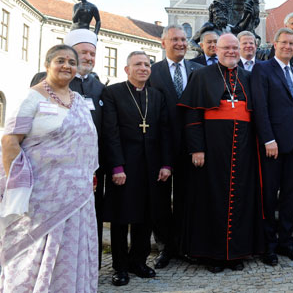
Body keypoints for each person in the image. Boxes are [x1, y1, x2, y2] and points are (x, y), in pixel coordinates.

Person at [0, 45, 98, 291]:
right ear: (47, 65)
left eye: (71, 62)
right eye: (60, 60)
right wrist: (19, 188)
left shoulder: (79, 101)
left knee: (70, 251)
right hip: (41, 196)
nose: (67, 65)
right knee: (32, 253)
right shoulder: (31, 97)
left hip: (78, 196)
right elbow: (10, 141)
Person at [177, 33, 265, 272]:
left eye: (235, 48)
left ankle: (235, 253)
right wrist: (197, 148)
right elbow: (193, 115)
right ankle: (213, 255)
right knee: (212, 200)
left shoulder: (248, 77)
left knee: (241, 200)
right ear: (216, 50)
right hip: (212, 150)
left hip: (243, 150)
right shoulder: (202, 76)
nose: (231, 52)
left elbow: (257, 113)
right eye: (226, 48)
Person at [30, 28, 107, 267]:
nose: (88, 58)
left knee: (89, 218)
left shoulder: (98, 86)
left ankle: (87, 267)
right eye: (82, 53)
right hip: (54, 168)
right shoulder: (44, 81)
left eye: (92, 54)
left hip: (91, 166)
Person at [102, 51, 172, 286]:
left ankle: (138, 261)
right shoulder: (113, 93)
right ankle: (120, 266)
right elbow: (110, 132)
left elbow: (164, 131)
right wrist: (116, 166)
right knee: (121, 218)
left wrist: (165, 163)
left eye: (147, 64)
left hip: (151, 166)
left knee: (146, 215)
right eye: (138, 64)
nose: (143, 68)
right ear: (127, 69)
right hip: (124, 167)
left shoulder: (157, 96)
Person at [148, 25, 204, 268]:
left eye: (183, 39)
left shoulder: (199, 71)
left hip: (192, 146)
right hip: (161, 146)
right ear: (164, 43)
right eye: (175, 39)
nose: (181, 43)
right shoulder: (152, 71)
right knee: (160, 199)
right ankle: (165, 247)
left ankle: (185, 244)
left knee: (187, 198)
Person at [251, 27, 293, 266]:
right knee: (269, 197)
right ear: (275, 44)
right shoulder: (262, 69)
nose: (287, 47)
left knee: (290, 197)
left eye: (291, 44)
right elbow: (260, 107)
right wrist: (268, 139)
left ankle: (286, 241)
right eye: (283, 43)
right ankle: (268, 246)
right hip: (272, 145)